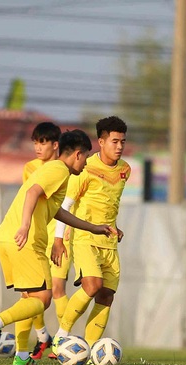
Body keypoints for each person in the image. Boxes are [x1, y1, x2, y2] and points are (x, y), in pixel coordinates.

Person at [0, 129, 115, 365]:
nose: (85, 164)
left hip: (8, 238)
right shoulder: (59, 170)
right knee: (43, 298)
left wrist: (93, 227)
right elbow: (33, 192)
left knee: (29, 298)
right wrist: (24, 226)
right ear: (78, 154)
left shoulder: (55, 172)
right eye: (86, 157)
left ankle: (22, 357)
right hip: (26, 239)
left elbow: (58, 212)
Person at [51, 116, 130, 353]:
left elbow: (109, 203)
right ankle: (61, 337)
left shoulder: (126, 169)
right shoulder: (86, 169)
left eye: (123, 142)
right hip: (85, 239)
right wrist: (58, 239)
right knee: (92, 285)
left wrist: (115, 226)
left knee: (106, 296)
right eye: (114, 141)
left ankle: (92, 348)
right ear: (101, 142)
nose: (119, 146)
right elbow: (64, 205)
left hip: (110, 241)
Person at [18, 122, 72, 360]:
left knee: (57, 289)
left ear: (55, 145)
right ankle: (37, 339)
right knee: (29, 295)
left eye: (43, 142)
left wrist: (59, 238)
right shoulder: (30, 167)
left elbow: (61, 205)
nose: (38, 147)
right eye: (35, 142)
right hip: (36, 235)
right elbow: (32, 196)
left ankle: (61, 340)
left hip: (59, 235)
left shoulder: (63, 168)